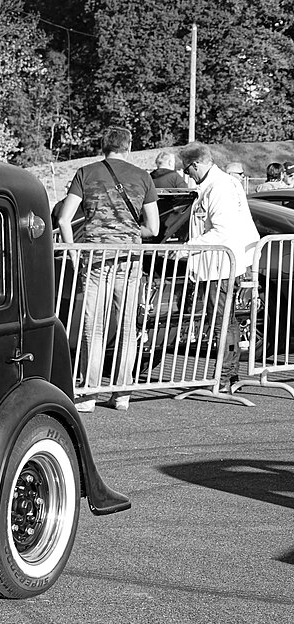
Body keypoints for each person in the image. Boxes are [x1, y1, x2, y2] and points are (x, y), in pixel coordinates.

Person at [56, 126, 160, 412]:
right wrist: (128, 233)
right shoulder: (143, 176)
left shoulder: (85, 173)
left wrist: (74, 253)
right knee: (127, 325)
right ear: (128, 146)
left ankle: (89, 394)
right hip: (130, 258)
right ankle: (122, 394)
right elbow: (153, 227)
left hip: (95, 257)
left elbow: (64, 220)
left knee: (94, 326)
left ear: (103, 146)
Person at [178, 143, 260, 392]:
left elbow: (222, 231)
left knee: (221, 323)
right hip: (221, 264)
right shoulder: (223, 183)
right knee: (227, 321)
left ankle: (223, 377)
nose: (187, 175)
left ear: (195, 164)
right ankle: (228, 376)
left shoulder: (219, 186)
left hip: (219, 265)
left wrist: (187, 248)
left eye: (187, 170)